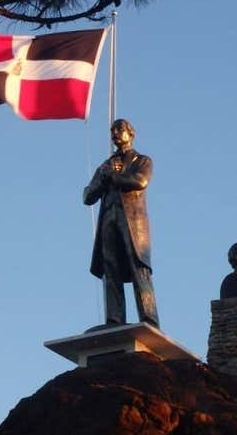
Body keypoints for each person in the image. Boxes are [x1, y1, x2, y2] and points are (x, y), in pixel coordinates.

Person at [83, 119, 159, 328]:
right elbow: (87, 196)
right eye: (112, 130)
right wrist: (103, 179)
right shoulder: (106, 165)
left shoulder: (142, 160)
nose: (115, 133)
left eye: (120, 129)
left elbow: (140, 181)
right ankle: (114, 318)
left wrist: (114, 177)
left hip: (133, 223)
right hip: (109, 219)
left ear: (130, 133)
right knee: (110, 268)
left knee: (138, 267)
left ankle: (149, 318)